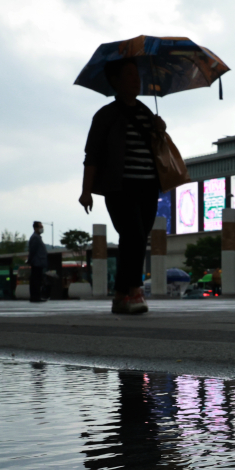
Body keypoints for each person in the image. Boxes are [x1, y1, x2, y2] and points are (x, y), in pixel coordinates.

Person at [79, 59, 167, 315]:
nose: (136, 79)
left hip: (149, 185)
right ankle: (135, 291)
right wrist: (86, 191)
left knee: (137, 238)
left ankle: (119, 295)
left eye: (137, 75)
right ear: (115, 81)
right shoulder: (106, 115)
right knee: (134, 236)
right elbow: (91, 155)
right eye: (129, 75)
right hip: (119, 187)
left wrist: (160, 130)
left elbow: (157, 149)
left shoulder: (146, 113)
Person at [28, 221, 48, 302]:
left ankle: (36, 296)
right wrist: (30, 260)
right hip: (37, 262)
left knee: (37, 280)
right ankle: (35, 297)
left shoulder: (37, 237)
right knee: (36, 280)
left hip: (38, 262)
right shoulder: (35, 238)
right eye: (40, 227)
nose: (42, 228)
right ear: (35, 228)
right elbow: (33, 250)